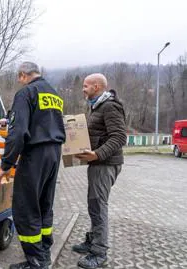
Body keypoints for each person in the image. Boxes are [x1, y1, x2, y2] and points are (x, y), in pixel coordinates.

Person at [0, 62, 66, 269]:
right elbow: (43, 121)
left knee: (26, 207)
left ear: (24, 75)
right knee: (45, 203)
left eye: (19, 78)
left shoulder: (26, 93)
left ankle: (36, 262)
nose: (19, 82)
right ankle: (44, 251)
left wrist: (5, 165)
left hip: (35, 154)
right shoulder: (53, 93)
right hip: (54, 153)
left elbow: (17, 134)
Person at [73, 73, 127, 269]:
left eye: (86, 86)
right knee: (93, 204)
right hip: (99, 163)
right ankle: (92, 240)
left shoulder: (110, 106)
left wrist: (97, 154)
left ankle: (99, 252)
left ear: (96, 86)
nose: (83, 89)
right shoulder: (97, 106)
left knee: (98, 205)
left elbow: (120, 136)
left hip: (106, 164)